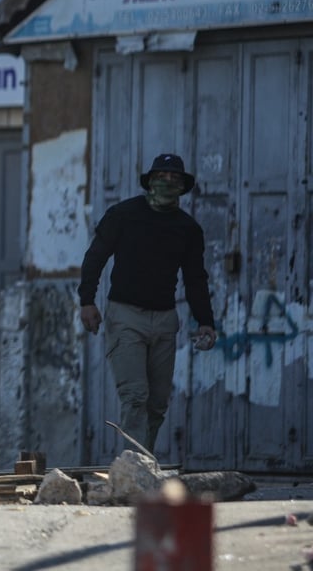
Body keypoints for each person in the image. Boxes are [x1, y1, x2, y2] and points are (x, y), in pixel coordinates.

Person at [78, 153, 217, 456]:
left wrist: (206, 320)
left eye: (174, 179)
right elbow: (95, 257)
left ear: (183, 187)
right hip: (126, 316)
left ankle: (143, 459)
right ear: (149, 182)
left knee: (157, 403)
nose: (167, 183)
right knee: (135, 396)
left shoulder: (187, 229)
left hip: (165, 319)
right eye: (161, 178)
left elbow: (195, 278)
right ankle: (134, 466)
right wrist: (87, 300)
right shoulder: (123, 215)